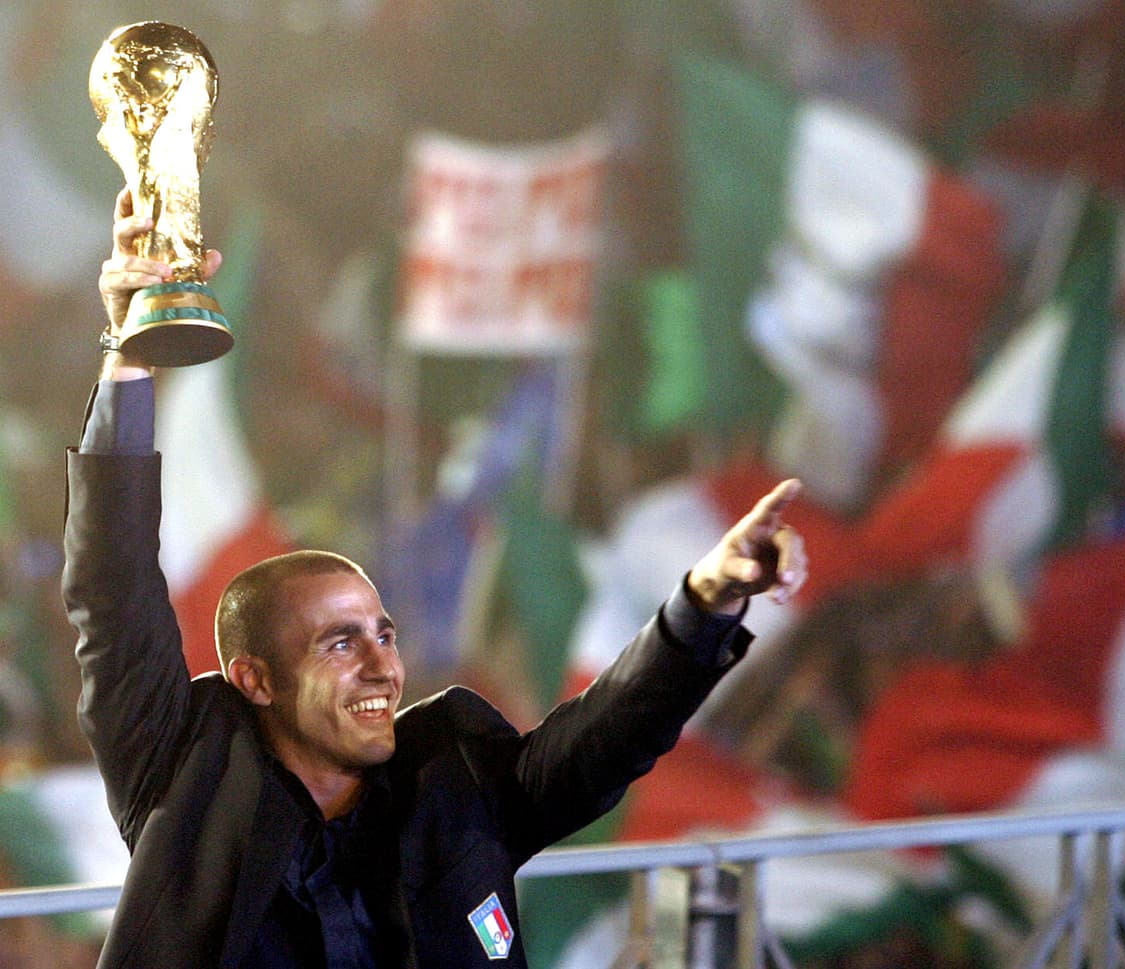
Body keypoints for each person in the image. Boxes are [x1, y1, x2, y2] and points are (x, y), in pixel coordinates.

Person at [61, 187, 808, 969]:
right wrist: (130, 349)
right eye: (339, 642)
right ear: (255, 678)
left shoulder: (452, 780)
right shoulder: (185, 775)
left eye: (383, 633)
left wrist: (706, 601)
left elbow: (607, 734)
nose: (383, 661)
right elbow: (113, 592)